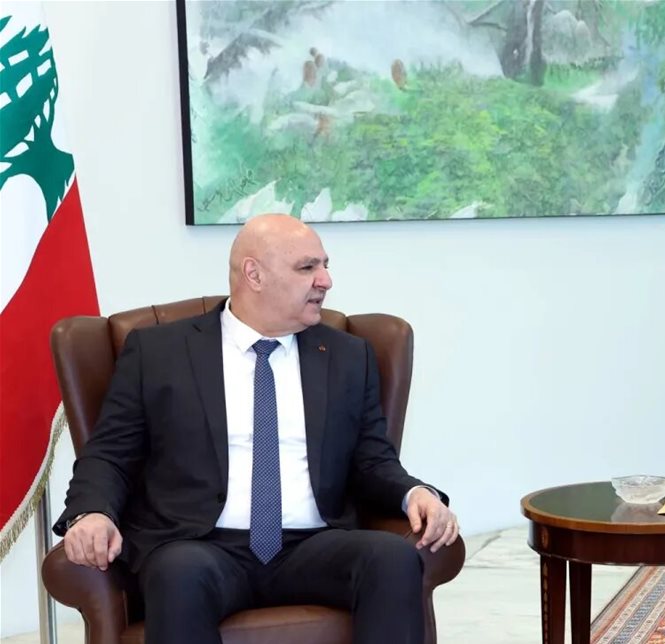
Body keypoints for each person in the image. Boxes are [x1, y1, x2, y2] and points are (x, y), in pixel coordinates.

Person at [54, 214, 458, 644]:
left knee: (392, 558)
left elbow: (374, 460)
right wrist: (92, 512)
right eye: (307, 267)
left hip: (313, 546)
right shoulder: (160, 353)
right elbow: (110, 454)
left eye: (325, 265)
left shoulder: (347, 356)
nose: (325, 280)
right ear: (254, 274)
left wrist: (415, 493)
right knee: (178, 572)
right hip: (201, 546)